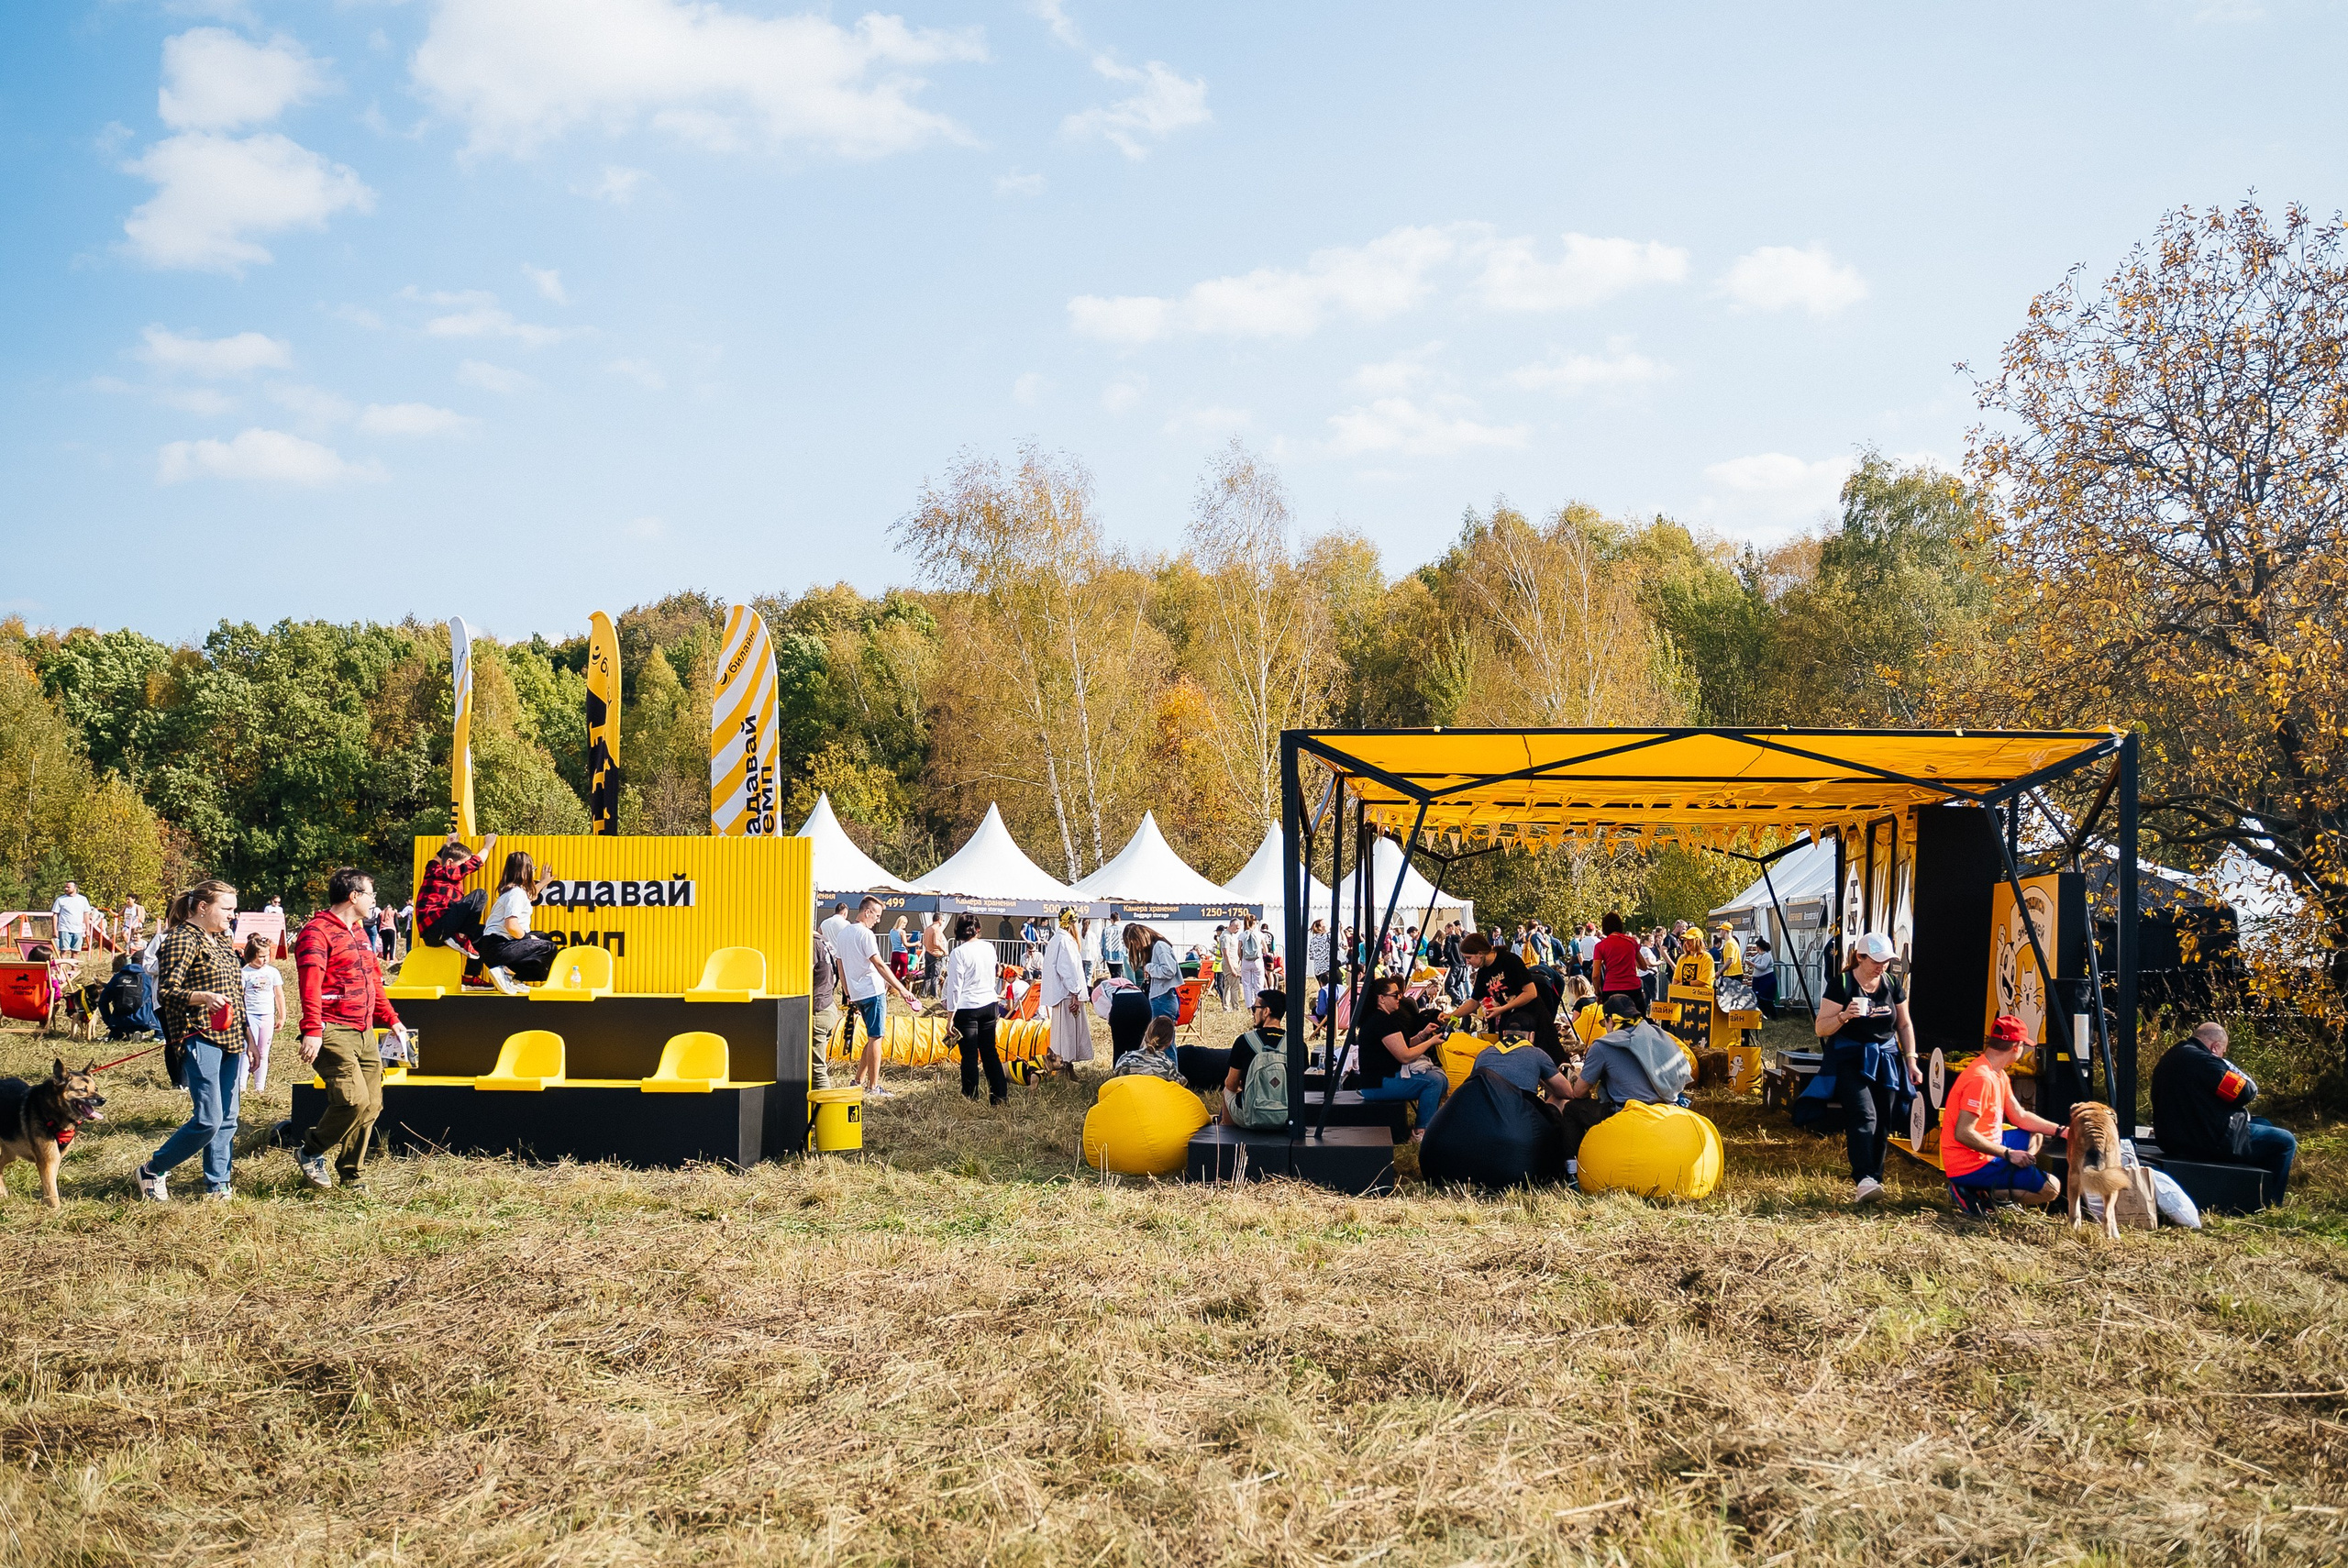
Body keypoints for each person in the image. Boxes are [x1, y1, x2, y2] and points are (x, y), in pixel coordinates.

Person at [292, 867, 409, 1192]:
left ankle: (351, 1174)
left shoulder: (359, 932)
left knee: (372, 1104)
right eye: (371, 894)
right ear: (354, 896)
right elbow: (309, 985)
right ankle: (312, 1150)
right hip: (332, 1029)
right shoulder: (316, 932)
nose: (375, 901)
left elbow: (374, 981)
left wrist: (392, 1019)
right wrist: (313, 1029)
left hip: (366, 1030)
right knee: (353, 1100)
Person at [132, 880, 247, 1202]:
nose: (232, 915)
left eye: (233, 909)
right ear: (202, 908)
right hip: (200, 1036)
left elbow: (236, 992)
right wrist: (202, 997)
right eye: (226, 908)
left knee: (228, 1119)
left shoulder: (223, 940)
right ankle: (153, 1169)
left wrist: (248, 1033)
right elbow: (166, 991)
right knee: (209, 1119)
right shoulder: (180, 939)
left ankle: (218, 1184)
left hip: (233, 1038)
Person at [1813, 932, 1920, 1205]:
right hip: (1851, 1058)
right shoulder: (1843, 984)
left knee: (1884, 1119)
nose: (1882, 965)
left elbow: (1904, 1025)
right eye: (1877, 960)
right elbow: (1821, 1028)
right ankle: (1863, 1177)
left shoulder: (1893, 984)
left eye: (1886, 960)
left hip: (1886, 1058)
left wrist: (1911, 1060)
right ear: (1860, 957)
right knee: (1864, 1115)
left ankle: (1875, 1178)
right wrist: (1843, 1016)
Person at [2153, 1021, 2298, 1204]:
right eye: (2223, 1051)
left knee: (2264, 1124)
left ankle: (2251, 1189)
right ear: (2215, 1047)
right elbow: (2244, 1094)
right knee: (2285, 1140)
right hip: (2207, 1141)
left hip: (2174, 1139)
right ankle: (2271, 1202)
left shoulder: (2172, 1056)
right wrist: (2228, 1067)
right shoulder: (2208, 1063)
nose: (2223, 1055)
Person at [1552, 992, 1695, 1169]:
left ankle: (1573, 1170)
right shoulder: (1659, 1035)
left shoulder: (1603, 1045)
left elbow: (1579, 1092)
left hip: (1626, 1113)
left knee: (1572, 1109)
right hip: (1666, 1109)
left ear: (1610, 1020)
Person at [1942, 1014, 2065, 1214]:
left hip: (1991, 1148)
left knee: (2036, 1134)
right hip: (1969, 1164)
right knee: (2051, 1189)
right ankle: (1980, 1192)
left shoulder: (1997, 1073)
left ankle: (2008, 1175)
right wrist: (2008, 1154)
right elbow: (1963, 1133)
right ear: (2016, 1046)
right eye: (2024, 1046)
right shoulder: (1981, 1079)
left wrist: (2061, 1130)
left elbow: (2020, 1116)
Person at [835, 895, 921, 1099]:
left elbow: (840, 963)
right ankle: (873, 1087)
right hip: (872, 992)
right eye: (877, 915)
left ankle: (858, 1080)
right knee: (876, 1038)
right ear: (867, 912)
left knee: (872, 1037)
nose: (879, 920)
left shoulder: (844, 933)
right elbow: (880, 964)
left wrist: (847, 991)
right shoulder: (865, 934)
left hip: (857, 993)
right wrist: (901, 988)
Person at [1357, 975, 1446, 1139]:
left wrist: (1423, 1034)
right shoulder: (1381, 1021)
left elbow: (1404, 1044)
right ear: (1382, 999)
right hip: (1378, 1084)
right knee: (1435, 1080)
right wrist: (1430, 1042)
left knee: (1440, 1077)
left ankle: (1426, 1125)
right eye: (1395, 994)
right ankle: (1421, 1131)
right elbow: (1405, 1056)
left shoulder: (1384, 1019)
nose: (1400, 997)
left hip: (1382, 1079)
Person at [1446, 933, 1560, 1062]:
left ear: (1480, 953)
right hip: (1510, 1021)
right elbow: (1474, 1001)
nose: (1467, 962)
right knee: (1510, 1060)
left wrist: (1502, 1009)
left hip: (1533, 1018)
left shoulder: (1510, 960)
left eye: (1469, 957)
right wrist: (1451, 1016)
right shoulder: (1484, 971)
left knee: (1544, 1060)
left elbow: (1531, 992)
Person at [944, 912, 1008, 1103]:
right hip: (989, 1003)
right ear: (977, 929)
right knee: (990, 1052)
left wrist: (950, 1017)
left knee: (969, 1056)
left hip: (967, 1007)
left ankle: (971, 1096)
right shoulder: (989, 947)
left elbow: (955, 986)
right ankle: (999, 1095)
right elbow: (995, 972)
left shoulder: (958, 953)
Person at [414, 832, 496, 975]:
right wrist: (488, 845)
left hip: (434, 934)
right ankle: (461, 937)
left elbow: (436, 858)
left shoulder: (432, 870)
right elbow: (475, 863)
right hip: (438, 925)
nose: (464, 869)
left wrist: (448, 843)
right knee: (480, 894)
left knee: (483, 933)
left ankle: (470, 976)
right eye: (462, 864)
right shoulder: (446, 872)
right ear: (450, 863)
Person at [479, 851, 559, 994]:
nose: (534, 873)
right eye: (533, 869)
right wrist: (528, 938)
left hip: (494, 946)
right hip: (498, 947)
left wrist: (543, 882)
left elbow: (530, 897)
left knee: (544, 937)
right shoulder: (516, 893)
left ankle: (513, 979)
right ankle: (506, 973)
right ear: (525, 871)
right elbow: (511, 925)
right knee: (549, 947)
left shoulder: (513, 892)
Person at [1221, 989, 1289, 1127]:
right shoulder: (1297, 1044)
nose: (1252, 1013)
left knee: (1226, 1091)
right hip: (1287, 1116)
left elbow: (1231, 1084)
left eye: (1254, 1008)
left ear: (1266, 1011)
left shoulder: (1244, 1041)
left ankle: (1226, 1134)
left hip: (1252, 1116)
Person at [1041, 907, 1094, 1079]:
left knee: (1068, 1032)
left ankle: (1069, 1068)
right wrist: (1075, 992)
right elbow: (1067, 969)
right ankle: (1062, 1071)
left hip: (1064, 993)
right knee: (1066, 1034)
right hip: (1066, 994)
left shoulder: (1058, 940)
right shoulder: (1065, 941)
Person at [238, 933, 282, 1095]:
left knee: (263, 1052)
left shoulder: (273, 972)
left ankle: (259, 1087)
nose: (265, 959)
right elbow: (240, 996)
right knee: (246, 1050)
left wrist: (282, 1016)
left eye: (267, 955)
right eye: (261, 956)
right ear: (251, 956)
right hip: (250, 1016)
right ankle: (241, 1086)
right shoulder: (244, 973)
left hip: (267, 1016)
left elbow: (279, 995)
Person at [1125, 922, 1182, 1022]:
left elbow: (1169, 970)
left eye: (1135, 943)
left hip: (1163, 999)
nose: (1137, 948)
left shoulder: (1160, 946)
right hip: (1161, 998)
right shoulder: (1157, 947)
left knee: (1161, 1036)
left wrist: (1149, 967)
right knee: (1162, 1035)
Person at [806, 918, 837, 1091]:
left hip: (818, 1009)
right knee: (816, 1066)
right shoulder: (824, 942)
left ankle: (825, 1113)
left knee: (817, 1069)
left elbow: (806, 975)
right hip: (829, 1005)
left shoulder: (811, 944)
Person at [1112, 1015, 1186, 1083]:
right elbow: (1180, 1087)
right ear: (1170, 1042)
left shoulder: (1125, 1059)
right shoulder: (1169, 1067)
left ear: (1146, 1034)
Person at [50, 881, 91, 956]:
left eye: (68, 887)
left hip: (78, 930)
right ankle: (63, 967)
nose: (66, 889)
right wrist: (55, 930)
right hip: (64, 929)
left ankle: (74, 968)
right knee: (64, 950)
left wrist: (88, 929)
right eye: (65, 887)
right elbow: (55, 915)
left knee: (76, 951)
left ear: (75, 888)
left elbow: (86, 914)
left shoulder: (83, 899)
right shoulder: (60, 900)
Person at [1236, 918, 1266, 1001]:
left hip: (1246, 960)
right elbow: (1265, 949)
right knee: (1259, 984)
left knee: (1246, 984)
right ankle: (1260, 1003)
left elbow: (1239, 949)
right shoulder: (1259, 934)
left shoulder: (1242, 935)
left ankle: (1249, 1005)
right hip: (1257, 960)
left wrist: (1241, 958)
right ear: (1254, 923)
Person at [919, 914, 947, 999]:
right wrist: (944, 950)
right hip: (936, 955)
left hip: (928, 953)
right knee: (935, 976)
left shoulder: (927, 929)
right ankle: (934, 996)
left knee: (927, 975)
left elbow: (924, 942)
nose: (942, 922)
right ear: (939, 920)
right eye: (942, 920)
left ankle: (923, 994)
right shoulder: (937, 930)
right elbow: (936, 943)